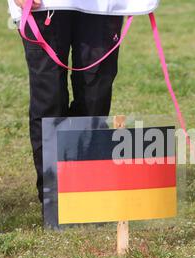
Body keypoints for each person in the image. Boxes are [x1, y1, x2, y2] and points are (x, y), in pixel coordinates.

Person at [10, 0, 123, 202]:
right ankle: (54, 196)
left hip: (101, 6)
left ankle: (85, 189)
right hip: (45, 5)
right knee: (49, 99)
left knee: (95, 96)